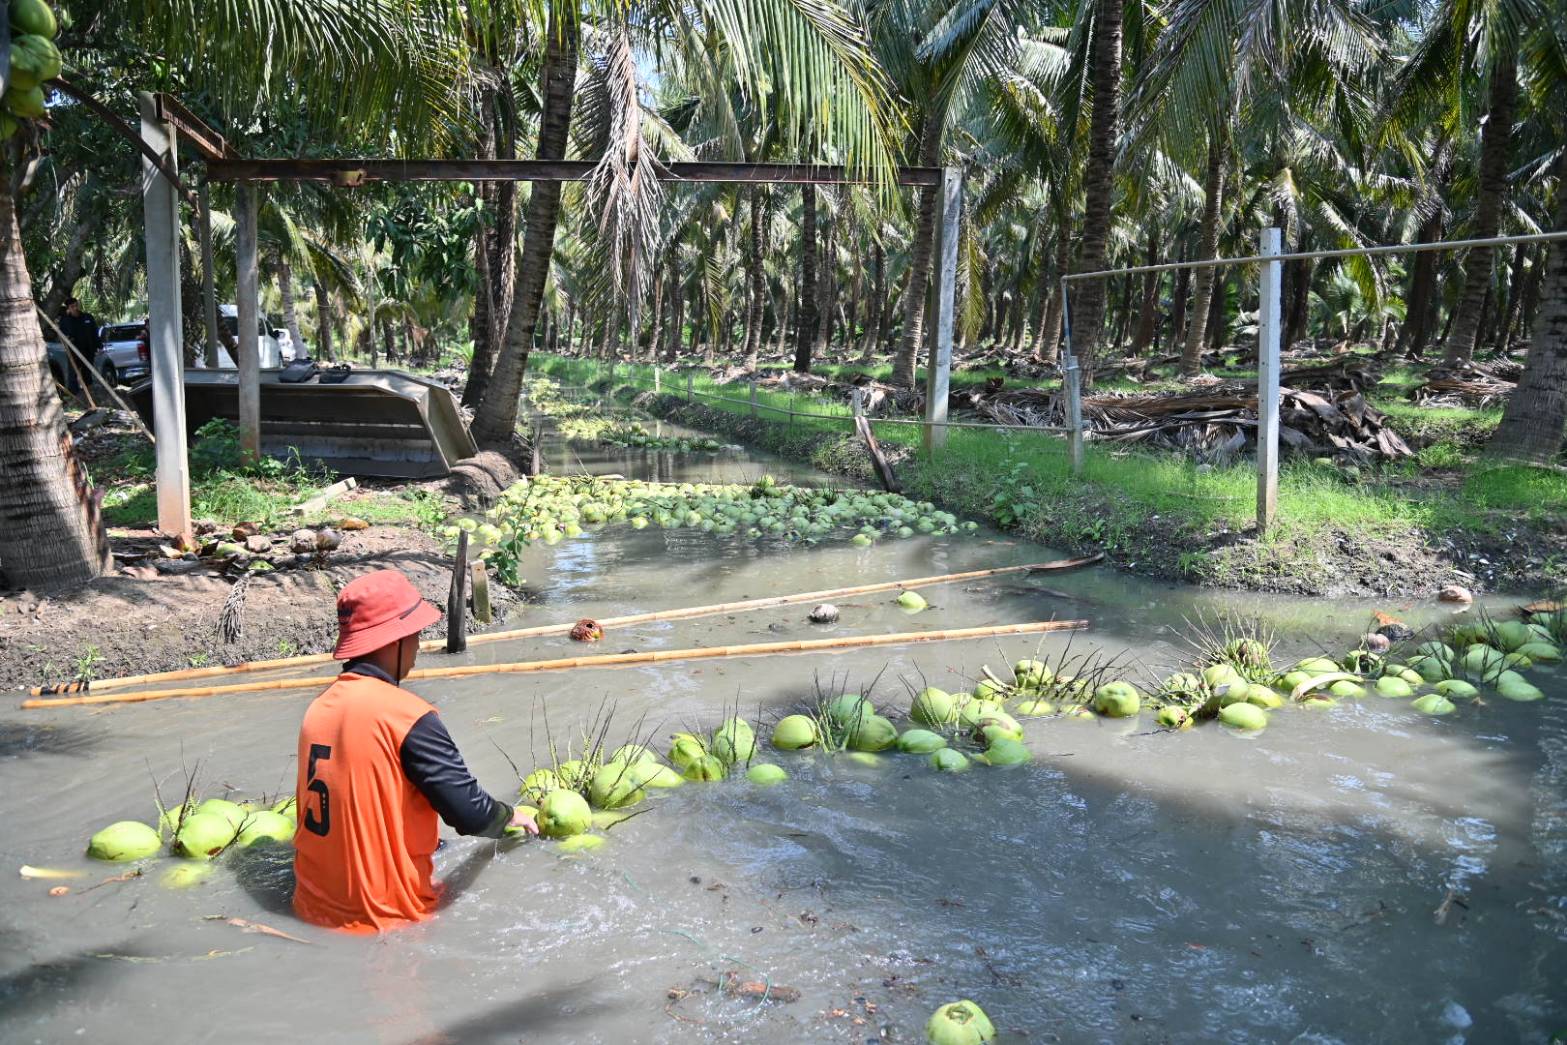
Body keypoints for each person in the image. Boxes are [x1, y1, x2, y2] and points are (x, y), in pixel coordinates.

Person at [293, 569, 537, 933]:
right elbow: (469, 815)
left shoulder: (319, 709)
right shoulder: (408, 715)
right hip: (386, 919)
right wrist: (508, 816)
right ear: (395, 641)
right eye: (417, 635)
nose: (420, 647)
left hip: (309, 907)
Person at [56, 297, 101, 394]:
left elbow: (95, 332)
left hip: (88, 350)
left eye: (76, 305)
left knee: (87, 373)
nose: (75, 308)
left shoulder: (87, 317)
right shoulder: (65, 321)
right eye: (72, 306)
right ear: (68, 308)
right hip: (74, 352)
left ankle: (89, 393)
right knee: (73, 374)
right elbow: (61, 335)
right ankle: (75, 395)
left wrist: (98, 346)